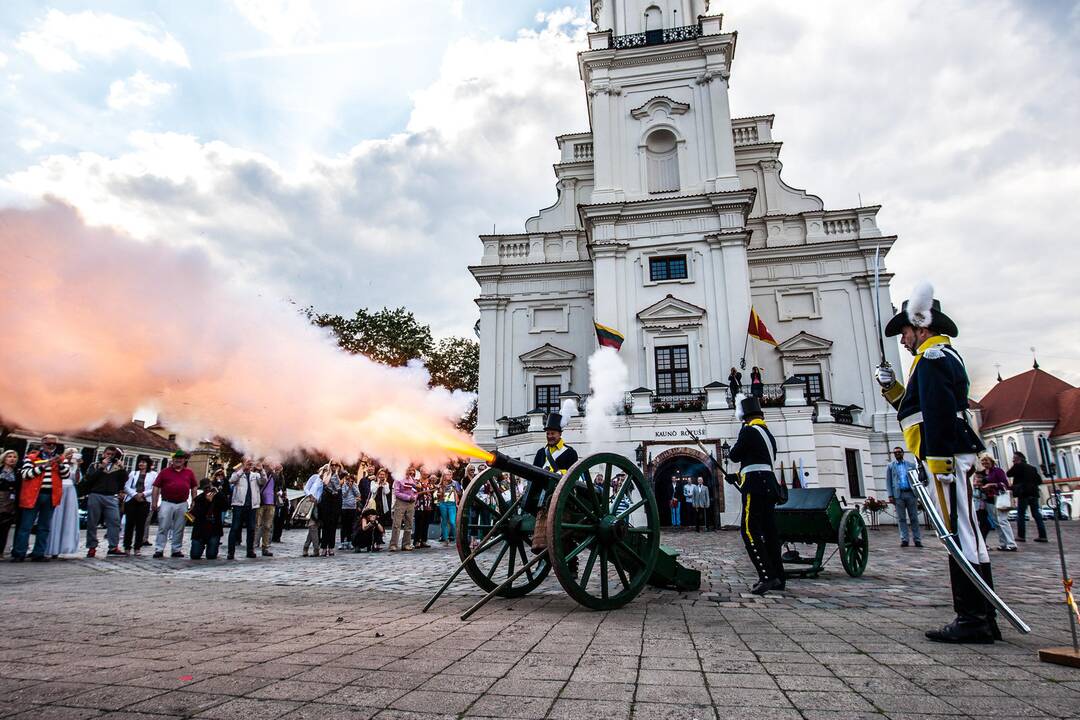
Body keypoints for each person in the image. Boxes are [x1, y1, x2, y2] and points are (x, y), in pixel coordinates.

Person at [876, 283, 997, 643]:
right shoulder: (938, 358)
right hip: (947, 453)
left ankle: (972, 618)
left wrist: (939, 463)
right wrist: (894, 389)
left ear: (922, 327)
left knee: (959, 535)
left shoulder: (932, 359)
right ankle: (984, 616)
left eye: (906, 332)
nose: (902, 340)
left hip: (943, 457)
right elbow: (918, 410)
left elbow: (940, 415)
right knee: (967, 534)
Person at [727, 396, 784, 595]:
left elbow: (734, 455)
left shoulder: (748, 430)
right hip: (767, 484)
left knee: (749, 530)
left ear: (745, 417)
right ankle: (778, 577)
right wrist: (737, 475)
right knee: (770, 532)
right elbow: (759, 460)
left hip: (755, 486)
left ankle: (766, 576)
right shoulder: (767, 433)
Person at [528, 413, 579, 553]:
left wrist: (559, 473)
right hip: (542, 499)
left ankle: (571, 567)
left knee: (565, 534)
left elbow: (573, 474)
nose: (550, 436)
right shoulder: (540, 453)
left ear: (559, 434)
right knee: (541, 535)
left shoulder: (569, 453)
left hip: (563, 498)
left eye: (553, 433)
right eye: (548, 433)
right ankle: (542, 560)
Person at [13, 435, 68, 562]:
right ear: (43, 444)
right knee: (26, 525)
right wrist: (43, 466)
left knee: (44, 526)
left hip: (51, 495)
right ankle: (19, 553)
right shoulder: (31, 458)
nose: (51, 446)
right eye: (48, 444)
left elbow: (65, 475)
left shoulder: (60, 459)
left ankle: (39, 553)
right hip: (33, 495)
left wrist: (59, 465)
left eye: (53, 444)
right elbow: (25, 474)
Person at [81, 445, 128, 557]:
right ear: (104, 454)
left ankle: (113, 546)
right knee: (92, 522)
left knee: (115, 521)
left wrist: (123, 469)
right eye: (108, 454)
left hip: (111, 496)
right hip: (96, 494)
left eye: (112, 455)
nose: (110, 456)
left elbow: (124, 480)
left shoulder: (117, 467)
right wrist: (102, 467)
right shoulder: (95, 465)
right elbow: (89, 479)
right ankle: (92, 546)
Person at [152, 450, 198, 559]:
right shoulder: (165, 472)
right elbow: (156, 487)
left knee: (179, 527)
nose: (178, 460)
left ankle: (176, 549)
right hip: (167, 502)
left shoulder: (189, 472)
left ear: (184, 460)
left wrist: (194, 502)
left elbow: (194, 487)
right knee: (163, 526)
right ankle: (159, 549)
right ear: (173, 460)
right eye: (176, 458)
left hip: (182, 503)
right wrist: (154, 502)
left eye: (181, 458)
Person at [47, 447, 81, 558]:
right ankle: (51, 546)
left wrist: (78, 466)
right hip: (59, 489)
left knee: (68, 518)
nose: (72, 455)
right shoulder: (61, 463)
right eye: (70, 453)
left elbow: (77, 480)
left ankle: (65, 546)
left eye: (74, 453)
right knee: (55, 517)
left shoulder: (75, 466)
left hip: (70, 491)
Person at [1007, 452, 1048, 543]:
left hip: (1023, 493)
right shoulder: (1033, 468)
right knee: (1036, 514)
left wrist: (1015, 465)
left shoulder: (1018, 466)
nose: (1013, 460)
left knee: (1021, 514)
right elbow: (1039, 481)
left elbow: (1008, 474)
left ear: (1019, 459)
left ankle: (1021, 536)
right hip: (1034, 493)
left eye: (1014, 458)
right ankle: (1043, 535)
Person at [885, 447, 922, 548]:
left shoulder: (911, 465)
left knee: (914, 517)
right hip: (898, 495)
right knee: (901, 519)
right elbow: (888, 481)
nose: (897, 454)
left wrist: (918, 494)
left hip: (910, 493)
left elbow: (916, 479)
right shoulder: (890, 466)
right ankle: (904, 539)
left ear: (903, 453)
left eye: (899, 452)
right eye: (895, 452)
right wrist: (890, 495)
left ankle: (917, 539)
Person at [979, 455, 1017, 551]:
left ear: (991, 461)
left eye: (986, 461)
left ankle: (1011, 544)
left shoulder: (998, 471)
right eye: (982, 461)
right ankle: (1003, 543)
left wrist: (992, 484)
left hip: (999, 498)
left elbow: (1005, 484)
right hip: (989, 500)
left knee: (1003, 521)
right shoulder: (983, 473)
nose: (984, 463)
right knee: (996, 522)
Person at [227, 458, 263, 560]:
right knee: (235, 528)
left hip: (252, 505)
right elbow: (232, 480)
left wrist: (261, 470)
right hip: (239, 504)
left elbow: (263, 481)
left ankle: (250, 550)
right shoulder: (238, 473)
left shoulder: (255, 475)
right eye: (247, 462)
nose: (249, 464)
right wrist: (242, 469)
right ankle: (231, 552)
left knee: (251, 528)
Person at [123, 456, 156, 555]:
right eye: (140, 462)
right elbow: (126, 486)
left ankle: (137, 547)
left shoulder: (153, 475)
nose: (141, 464)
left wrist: (143, 494)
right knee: (129, 524)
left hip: (145, 500)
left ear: (148, 464)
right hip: (132, 499)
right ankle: (127, 546)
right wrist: (134, 494)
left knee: (141, 525)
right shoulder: (133, 473)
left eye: (144, 462)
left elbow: (155, 487)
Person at [190, 479, 229, 559]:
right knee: (195, 555)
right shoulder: (199, 499)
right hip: (200, 531)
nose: (208, 490)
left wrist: (218, 494)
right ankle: (201, 546)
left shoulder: (219, 497)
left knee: (211, 555)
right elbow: (196, 514)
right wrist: (206, 501)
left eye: (209, 488)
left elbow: (225, 506)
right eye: (205, 488)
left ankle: (212, 547)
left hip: (213, 530)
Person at [317, 460, 344, 556]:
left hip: (336, 501)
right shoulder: (326, 474)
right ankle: (324, 547)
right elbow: (324, 483)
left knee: (333, 526)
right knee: (325, 526)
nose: (334, 466)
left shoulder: (342, 475)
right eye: (332, 465)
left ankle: (331, 547)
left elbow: (338, 487)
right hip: (326, 501)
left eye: (336, 465)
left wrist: (337, 474)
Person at [255, 461, 280, 557]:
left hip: (271, 502)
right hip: (261, 502)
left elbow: (279, 482)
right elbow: (262, 481)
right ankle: (253, 544)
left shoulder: (274, 475)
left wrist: (276, 471)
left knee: (267, 526)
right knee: (257, 524)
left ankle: (265, 547)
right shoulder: (259, 473)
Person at [389, 468, 417, 551]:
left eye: (411, 471)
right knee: (397, 524)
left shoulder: (413, 480)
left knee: (409, 524)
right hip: (401, 502)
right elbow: (397, 492)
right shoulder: (398, 479)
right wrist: (408, 497)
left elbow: (416, 491)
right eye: (408, 470)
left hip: (411, 504)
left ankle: (406, 544)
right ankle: (393, 545)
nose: (410, 472)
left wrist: (414, 497)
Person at [0, 449, 20, 556]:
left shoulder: (17, 472)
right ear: (4, 458)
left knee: (5, 528)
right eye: (9, 456)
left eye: (14, 457)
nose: (12, 459)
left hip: (10, 502)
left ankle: (0, 552)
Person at [302, 466, 325, 557]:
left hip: (320, 505)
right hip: (311, 503)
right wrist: (310, 495)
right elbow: (306, 488)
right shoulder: (314, 477)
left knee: (314, 527)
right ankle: (316, 549)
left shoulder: (327, 481)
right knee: (313, 526)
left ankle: (306, 547)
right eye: (323, 470)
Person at [413, 470, 434, 549]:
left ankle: (424, 540)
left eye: (427, 472)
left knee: (426, 524)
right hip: (419, 505)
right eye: (424, 472)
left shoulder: (430, 482)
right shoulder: (416, 482)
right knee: (419, 524)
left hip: (428, 505)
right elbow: (414, 493)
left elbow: (433, 492)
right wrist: (425, 491)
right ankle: (417, 541)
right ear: (421, 472)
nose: (426, 473)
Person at [340, 472, 361, 550]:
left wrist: (352, 487)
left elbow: (358, 494)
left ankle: (349, 541)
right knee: (344, 525)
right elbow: (344, 495)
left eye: (352, 481)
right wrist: (348, 487)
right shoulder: (344, 486)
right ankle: (342, 542)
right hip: (344, 507)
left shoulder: (355, 486)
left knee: (350, 525)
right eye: (349, 480)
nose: (350, 482)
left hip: (352, 507)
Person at [438, 470, 458, 546]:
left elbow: (458, 493)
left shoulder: (455, 483)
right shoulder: (440, 484)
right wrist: (440, 490)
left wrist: (457, 503)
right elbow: (438, 495)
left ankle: (454, 537)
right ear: (443, 475)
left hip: (452, 504)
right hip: (443, 504)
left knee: (453, 522)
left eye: (450, 474)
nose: (448, 476)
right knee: (444, 521)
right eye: (447, 474)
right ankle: (446, 539)